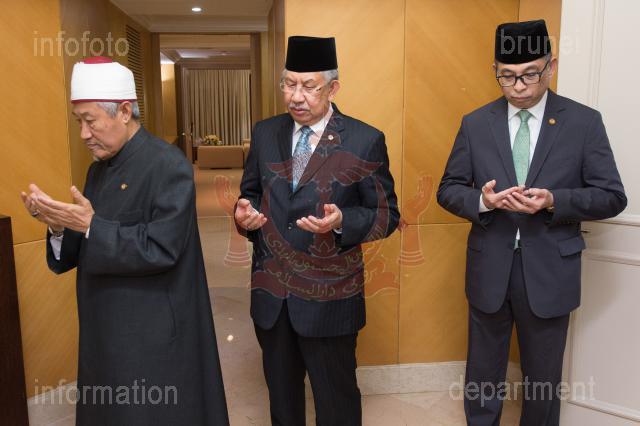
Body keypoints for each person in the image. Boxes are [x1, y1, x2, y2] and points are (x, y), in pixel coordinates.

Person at [20, 56, 229, 425]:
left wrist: (91, 225)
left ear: (124, 111)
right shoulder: (97, 170)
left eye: (90, 121)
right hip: (103, 331)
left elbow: (160, 248)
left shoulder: (169, 165)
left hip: (149, 334)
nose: (84, 134)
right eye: (78, 122)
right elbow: (87, 239)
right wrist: (58, 226)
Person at [437, 20, 626, 425]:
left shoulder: (583, 123)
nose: (518, 86)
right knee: (483, 374)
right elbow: (448, 189)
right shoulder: (476, 123)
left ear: (550, 67)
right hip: (489, 266)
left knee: (543, 378)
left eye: (530, 74)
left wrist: (556, 200)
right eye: (507, 76)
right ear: (495, 70)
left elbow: (612, 195)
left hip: (550, 269)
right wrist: (482, 201)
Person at [235, 36, 399, 425]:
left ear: (333, 88)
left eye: (309, 87)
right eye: (289, 84)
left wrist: (342, 222)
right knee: (282, 401)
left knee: (336, 400)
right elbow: (250, 194)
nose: (296, 96)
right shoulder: (265, 133)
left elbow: (386, 214)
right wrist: (244, 215)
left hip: (330, 298)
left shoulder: (364, 140)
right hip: (272, 296)